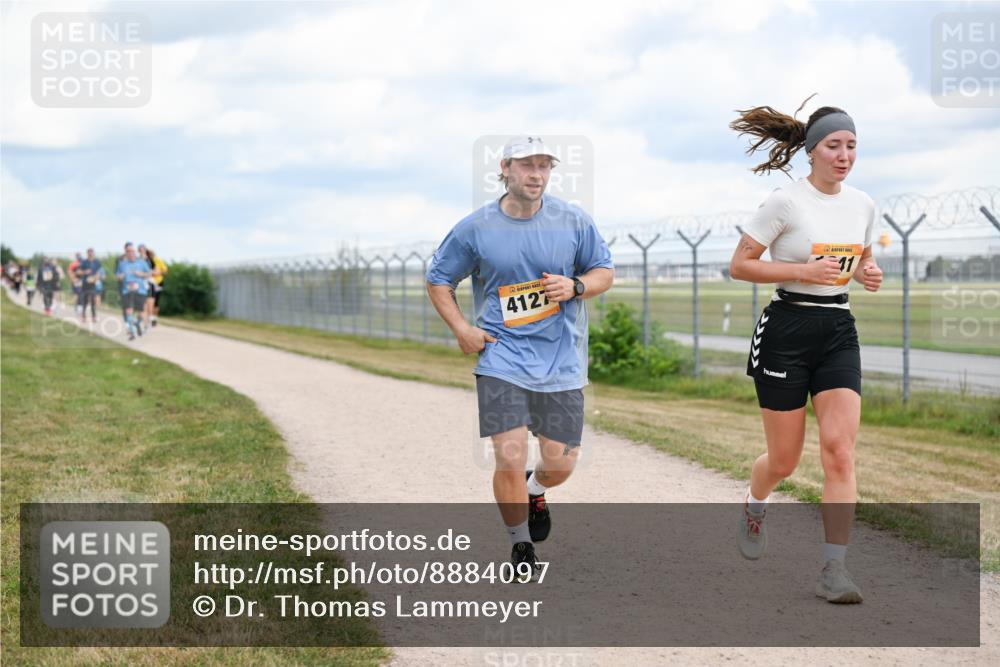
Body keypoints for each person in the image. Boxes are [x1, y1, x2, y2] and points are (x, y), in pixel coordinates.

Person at [426, 136, 614, 578]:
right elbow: (439, 280)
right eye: (528, 165)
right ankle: (520, 545)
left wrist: (577, 286)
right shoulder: (475, 228)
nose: (537, 174)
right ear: (505, 168)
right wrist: (461, 329)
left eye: (545, 166)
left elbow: (604, 271)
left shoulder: (572, 221)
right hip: (501, 357)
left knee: (560, 464)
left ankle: (536, 491)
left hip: (562, 360)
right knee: (508, 453)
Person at [728, 99, 884, 604]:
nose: (844, 155)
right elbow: (741, 265)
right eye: (834, 145)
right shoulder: (785, 202)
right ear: (812, 151)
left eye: (852, 146)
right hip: (786, 329)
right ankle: (755, 503)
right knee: (784, 460)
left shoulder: (861, 203)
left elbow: (859, 259)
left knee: (840, 451)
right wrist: (799, 271)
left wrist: (867, 273)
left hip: (837, 327)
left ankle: (834, 570)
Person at [116, 242, 152, 340]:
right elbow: (118, 276)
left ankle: (137, 323)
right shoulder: (122, 264)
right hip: (127, 290)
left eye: (132, 251)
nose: (131, 253)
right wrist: (120, 277)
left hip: (140, 290)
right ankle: (132, 332)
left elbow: (149, 274)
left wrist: (141, 274)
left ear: (135, 252)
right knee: (129, 310)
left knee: (141, 312)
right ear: (125, 252)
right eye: (128, 251)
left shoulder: (141, 262)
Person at [143, 246, 168, 326]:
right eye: (149, 253)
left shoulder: (158, 260)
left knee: (156, 302)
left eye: (151, 253)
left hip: (158, 283)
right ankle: (148, 318)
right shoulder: (144, 261)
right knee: (149, 301)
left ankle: (154, 318)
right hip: (149, 283)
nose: (150, 254)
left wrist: (156, 274)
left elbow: (165, 271)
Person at [77, 248, 103, 323]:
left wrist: (97, 277)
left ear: (93, 253)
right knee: (85, 301)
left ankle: (94, 316)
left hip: (93, 284)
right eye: (89, 253)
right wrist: (84, 272)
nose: (91, 254)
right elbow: (78, 272)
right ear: (87, 253)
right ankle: (83, 316)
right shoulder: (84, 262)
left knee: (93, 300)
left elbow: (100, 271)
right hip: (85, 284)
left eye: (92, 253)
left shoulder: (97, 262)